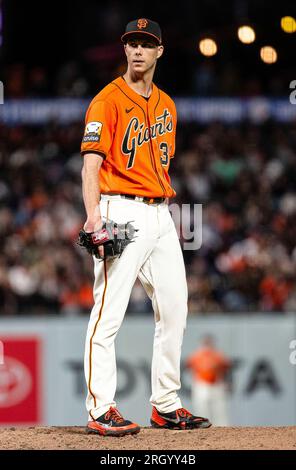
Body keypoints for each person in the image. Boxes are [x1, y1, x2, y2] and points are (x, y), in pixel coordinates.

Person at [80, 18, 211, 436]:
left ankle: (166, 405)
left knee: (175, 308)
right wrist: (94, 214)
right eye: (131, 43)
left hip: (161, 214)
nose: (137, 50)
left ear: (159, 51)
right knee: (108, 314)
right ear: (125, 50)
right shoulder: (106, 101)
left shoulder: (168, 105)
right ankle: (102, 408)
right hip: (120, 210)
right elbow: (90, 166)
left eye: (145, 43)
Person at [186, 335, 231, 426]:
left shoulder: (218, 355)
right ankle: (202, 427)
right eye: (205, 342)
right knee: (202, 409)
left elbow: (226, 367)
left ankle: (223, 429)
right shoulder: (196, 355)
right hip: (201, 385)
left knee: (219, 410)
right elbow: (189, 366)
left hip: (216, 385)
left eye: (209, 342)